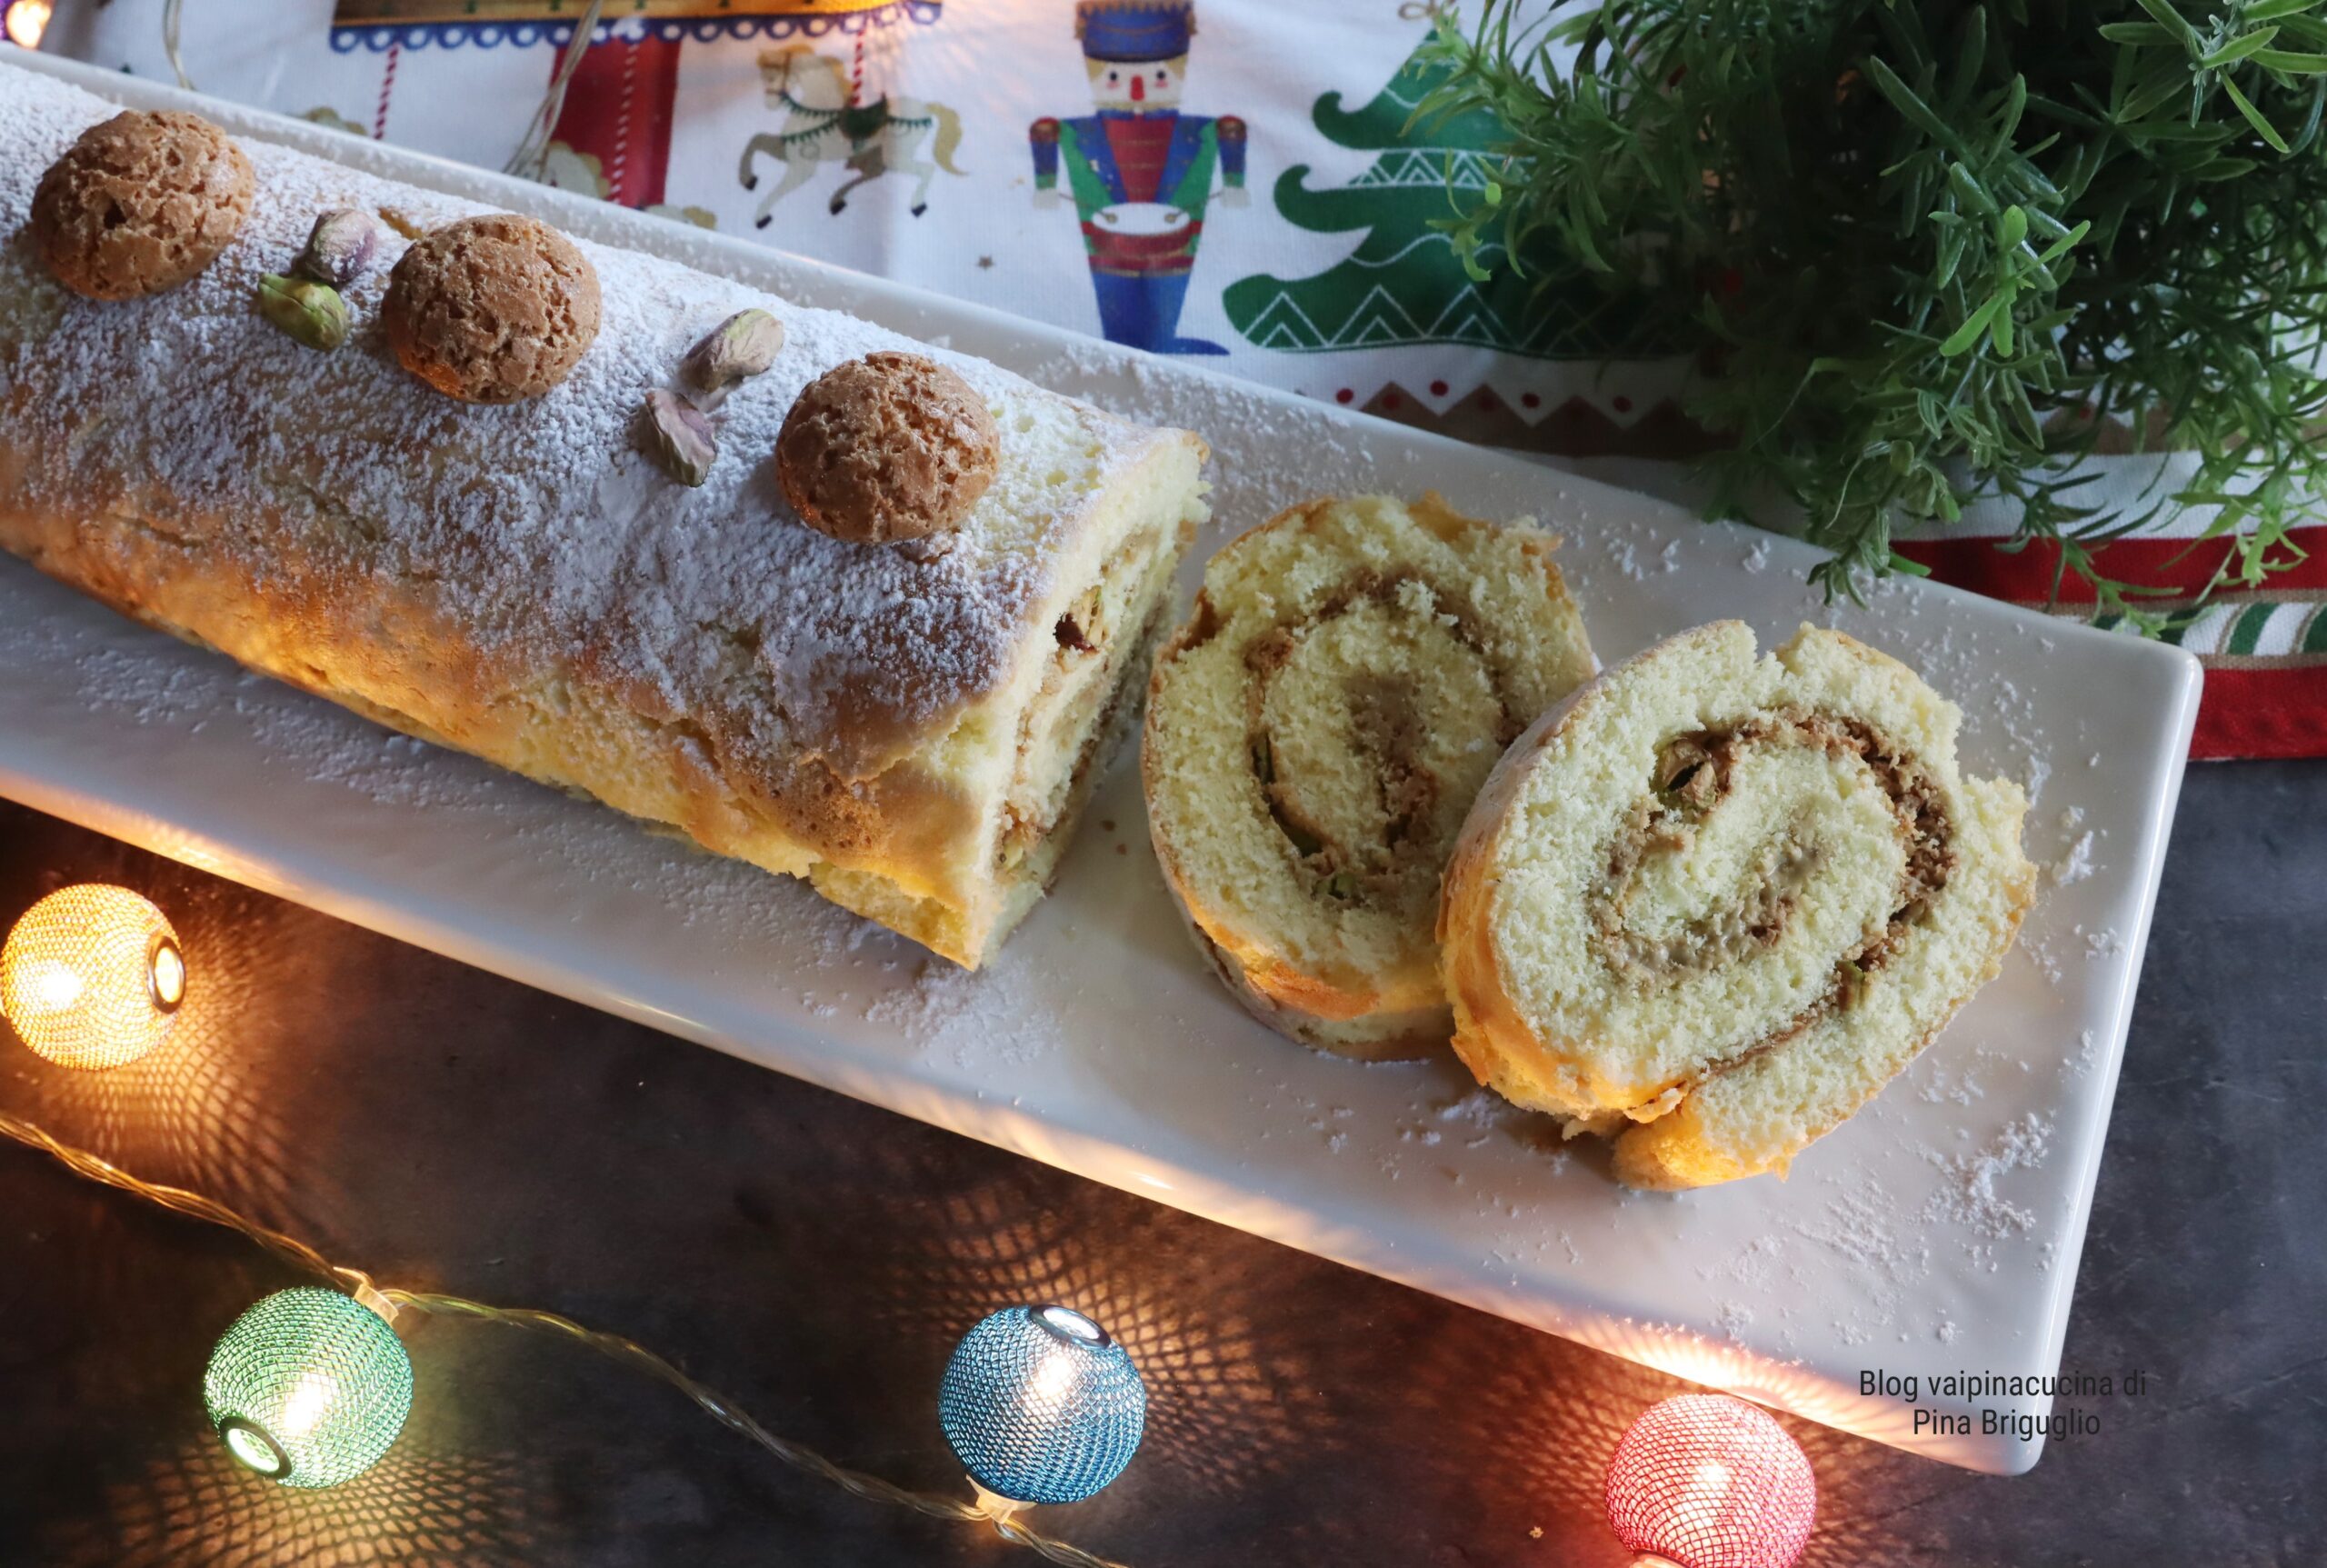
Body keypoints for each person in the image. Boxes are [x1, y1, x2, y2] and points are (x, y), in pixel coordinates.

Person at [1030, 0, 1246, 355]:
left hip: (1175, 225)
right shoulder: (1083, 133)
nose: (1137, 92)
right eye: (1115, 78)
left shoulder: (1195, 132)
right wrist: (1045, 185)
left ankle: (1161, 341)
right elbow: (1045, 132)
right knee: (1111, 277)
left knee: (1171, 273)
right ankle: (1116, 346)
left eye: (1158, 77)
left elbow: (1230, 130)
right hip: (1106, 229)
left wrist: (1235, 180)